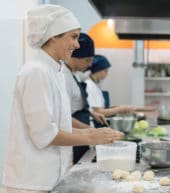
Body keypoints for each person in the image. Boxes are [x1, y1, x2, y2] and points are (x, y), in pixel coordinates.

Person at [2, 4, 123, 193]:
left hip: (50, 177)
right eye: (73, 37)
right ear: (53, 36)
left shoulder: (55, 71)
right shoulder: (36, 71)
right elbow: (44, 134)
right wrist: (91, 136)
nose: (77, 44)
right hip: (31, 182)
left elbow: (60, 125)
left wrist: (95, 135)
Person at [62, 33, 108, 164]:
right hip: (74, 137)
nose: (89, 65)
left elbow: (76, 104)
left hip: (81, 135)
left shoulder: (74, 74)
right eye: (87, 60)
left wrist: (93, 114)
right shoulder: (64, 78)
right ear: (75, 56)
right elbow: (64, 117)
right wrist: (91, 132)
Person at [85, 55, 134, 124]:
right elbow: (98, 112)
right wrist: (120, 109)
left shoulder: (94, 85)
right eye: (105, 71)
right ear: (98, 70)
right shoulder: (89, 86)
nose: (107, 74)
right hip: (94, 124)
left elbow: (100, 108)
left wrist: (116, 107)